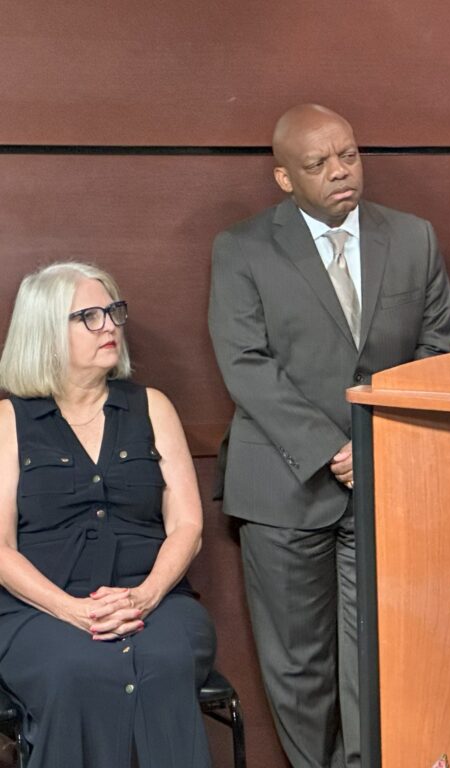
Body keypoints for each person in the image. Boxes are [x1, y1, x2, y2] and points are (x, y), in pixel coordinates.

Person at [208, 104, 450, 768]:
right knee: (299, 668)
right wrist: (331, 449)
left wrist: (374, 444)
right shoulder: (241, 249)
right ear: (284, 177)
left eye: (347, 154)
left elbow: (434, 356)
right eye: (318, 164)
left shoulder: (414, 239)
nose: (340, 172)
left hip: (385, 480)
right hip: (284, 486)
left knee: (376, 657)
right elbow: (246, 364)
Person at [0, 262, 215, 767]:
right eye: (89, 317)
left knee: (162, 662)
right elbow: (1, 548)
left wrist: (145, 596)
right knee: (76, 669)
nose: (110, 327)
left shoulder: (152, 406)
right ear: (46, 331)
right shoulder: (9, 420)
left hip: (156, 600)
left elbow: (188, 526)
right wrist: (70, 609)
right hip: (40, 609)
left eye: (113, 312)